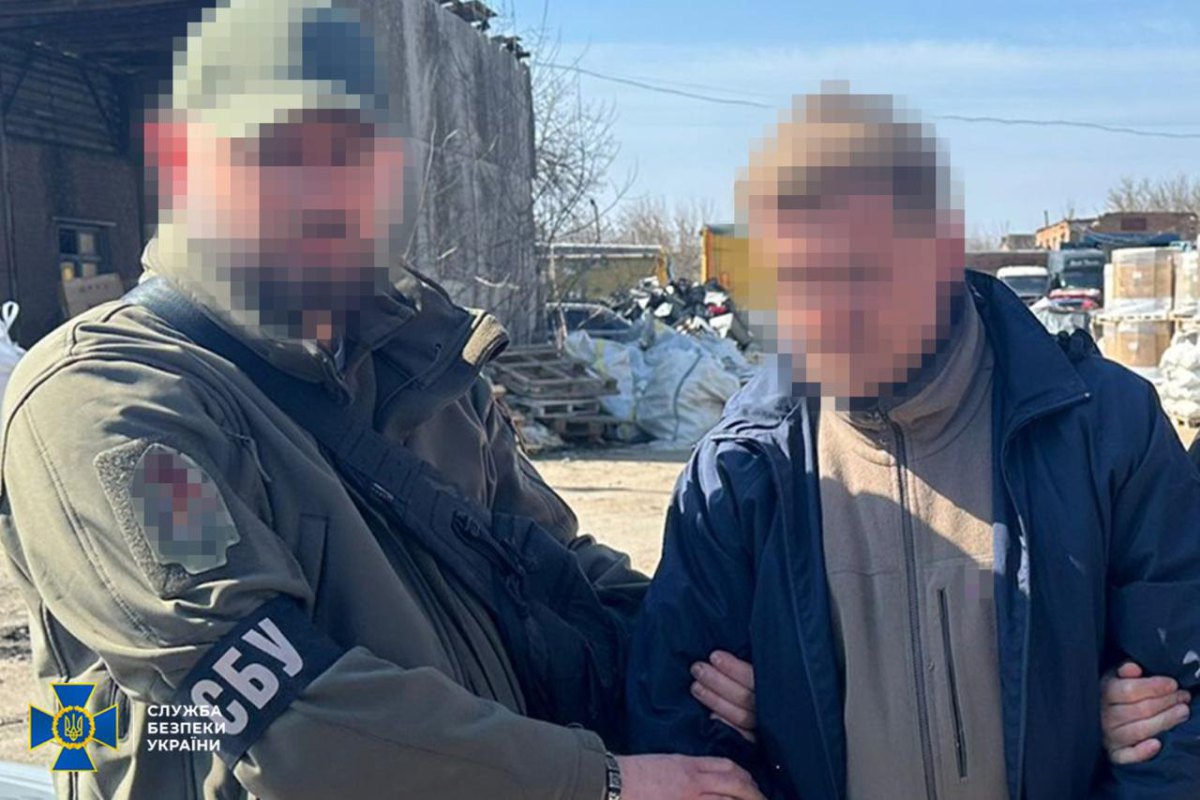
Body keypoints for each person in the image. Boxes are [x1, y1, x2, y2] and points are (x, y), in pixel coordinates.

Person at [0, 1, 762, 798]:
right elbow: (274, 708)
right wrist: (594, 781)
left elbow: (557, 573)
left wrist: (709, 668)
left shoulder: (423, 369)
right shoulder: (111, 401)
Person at [626, 88, 1200, 799]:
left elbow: (1176, 701)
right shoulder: (740, 473)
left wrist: (1103, 712)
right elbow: (678, 729)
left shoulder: (1106, 428)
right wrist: (765, 728)